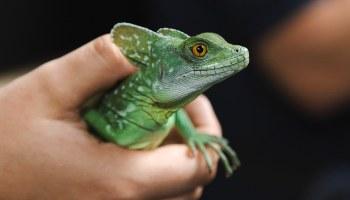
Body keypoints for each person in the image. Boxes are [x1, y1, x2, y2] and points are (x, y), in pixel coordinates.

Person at [0, 35, 222, 199]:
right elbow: (91, 116)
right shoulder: (122, 125)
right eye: (200, 51)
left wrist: (192, 135)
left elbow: (174, 112)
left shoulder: (167, 107)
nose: (240, 51)